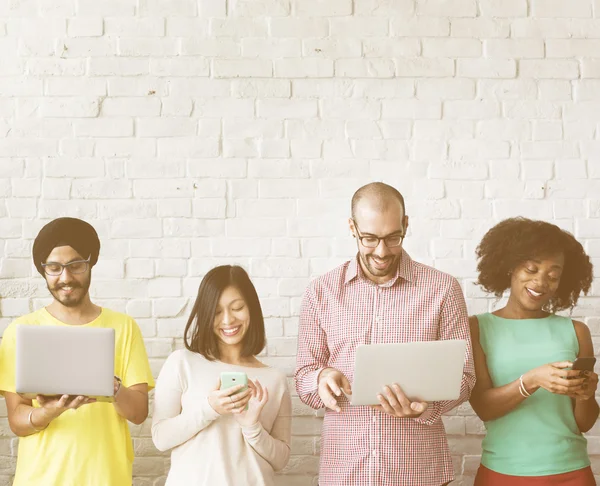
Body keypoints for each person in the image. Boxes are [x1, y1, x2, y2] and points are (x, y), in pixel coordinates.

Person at [294, 182, 475, 486]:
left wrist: (427, 409)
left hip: (419, 473)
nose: (382, 251)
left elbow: (466, 377)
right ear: (352, 227)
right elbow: (303, 376)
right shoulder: (321, 292)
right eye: (369, 238)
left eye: (393, 237)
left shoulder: (443, 289)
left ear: (406, 224)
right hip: (345, 472)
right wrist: (322, 377)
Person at [0, 217, 154, 486]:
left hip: (107, 478)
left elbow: (139, 413)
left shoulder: (124, 327)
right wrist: (48, 412)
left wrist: (113, 387)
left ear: (90, 263)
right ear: (43, 270)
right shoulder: (20, 331)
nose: (66, 277)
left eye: (76, 265)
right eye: (54, 268)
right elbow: (16, 419)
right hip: (40, 479)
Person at [469, 217, 598, 485]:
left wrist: (586, 396)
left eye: (553, 276)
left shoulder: (576, 331)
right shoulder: (478, 327)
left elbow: (584, 423)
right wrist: (532, 380)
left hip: (571, 472)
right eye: (531, 269)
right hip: (503, 472)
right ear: (510, 268)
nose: (541, 282)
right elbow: (483, 407)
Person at [151, 265, 291, 486]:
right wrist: (210, 409)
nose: (227, 320)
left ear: (251, 308)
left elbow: (281, 459)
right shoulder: (182, 363)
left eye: (237, 308)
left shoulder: (274, 379)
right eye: (216, 312)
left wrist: (252, 427)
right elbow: (161, 438)